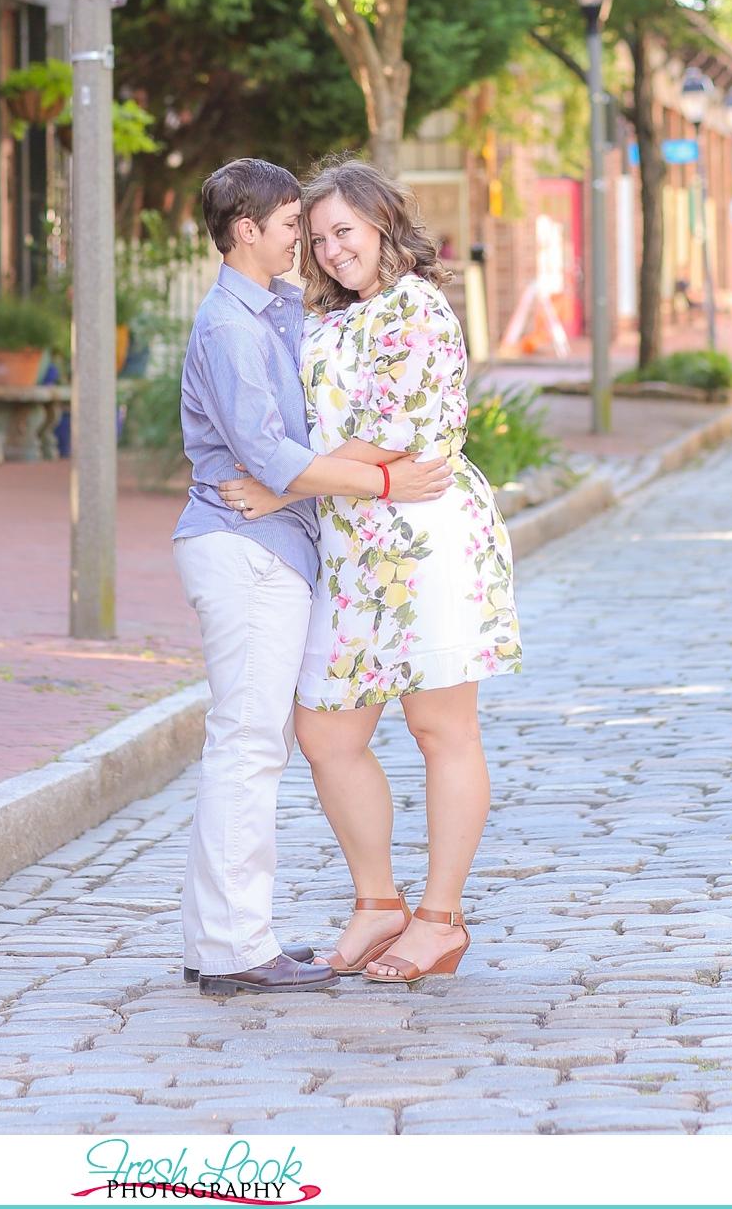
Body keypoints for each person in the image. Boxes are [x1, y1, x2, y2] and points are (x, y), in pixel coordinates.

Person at [220, 158, 521, 984]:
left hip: (422, 537)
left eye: (342, 231)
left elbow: (394, 430)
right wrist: (292, 481)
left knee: (439, 728)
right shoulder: (324, 320)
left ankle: (440, 919)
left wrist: (284, 486)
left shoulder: (415, 307)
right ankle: (378, 903)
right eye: (316, 239)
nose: (330, 250)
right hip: (351, 547)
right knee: (325, 731)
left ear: (383, 222)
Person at [175, 158, 452, 997]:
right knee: (250, 748)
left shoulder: (283, 312)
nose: (309, 243)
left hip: (275, 544)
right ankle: (236, 949)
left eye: (325, 228)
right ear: (249, 231)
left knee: (248, 743)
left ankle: (216, 939)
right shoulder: (231, 324)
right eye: (297, 226)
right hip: (248, 545)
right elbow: (267, 456)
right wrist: (385, 481)